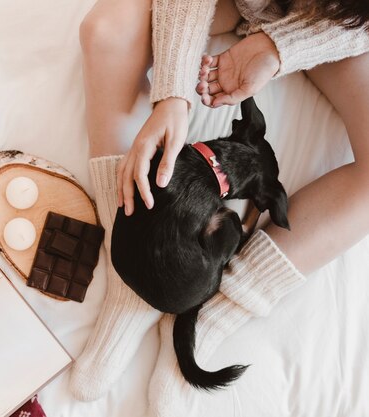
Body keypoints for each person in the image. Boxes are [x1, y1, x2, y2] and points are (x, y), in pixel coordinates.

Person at [68, 0, 369, 414]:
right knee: (105, 31)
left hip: (341, 23)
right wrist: (173, 93)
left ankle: (206, 317)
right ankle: (134, 284)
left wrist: (279, 47)